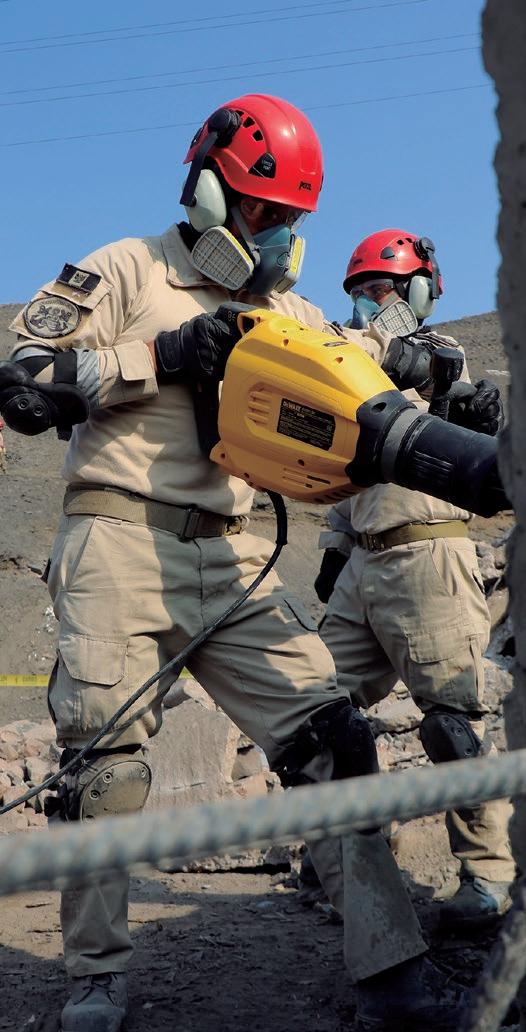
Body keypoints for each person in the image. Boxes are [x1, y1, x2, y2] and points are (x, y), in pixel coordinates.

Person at [1, 104, 470, 1032]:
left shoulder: (286, 311)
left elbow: (360, 374)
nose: (274, 234)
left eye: (290, 220)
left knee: (338, 743)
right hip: (118, 541)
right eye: (260, 210)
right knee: (104, 774)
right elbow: (23, 382)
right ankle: (96, 982)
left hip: (237, 554)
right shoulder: (123, 269)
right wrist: (158, 355)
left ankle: (393, 975)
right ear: (207, 188)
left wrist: (419, 360)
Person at [308, 228, 514, 930]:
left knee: (453, 724)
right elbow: (344, 470)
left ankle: (486, 878)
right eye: (362, 292)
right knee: (320, 718)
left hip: (429, 557)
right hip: (361, 560)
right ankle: (358, 864)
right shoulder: (351, 366)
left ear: (422, 292)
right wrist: (335, 550)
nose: (371, 303)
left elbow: (446, 391)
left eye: (383, 289)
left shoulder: (437, 357)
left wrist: (455, 401)